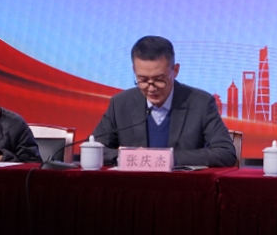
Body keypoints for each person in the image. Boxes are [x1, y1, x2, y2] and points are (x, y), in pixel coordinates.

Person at [94, 36, 236, 167]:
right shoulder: (120, 104)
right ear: (134, 71)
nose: (151, 88)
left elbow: (226, 153)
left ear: (175, 70)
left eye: (159, 80)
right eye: (143, 80)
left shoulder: (201, 103)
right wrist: (126, 157)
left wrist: (165, 158)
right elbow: (91, 148)